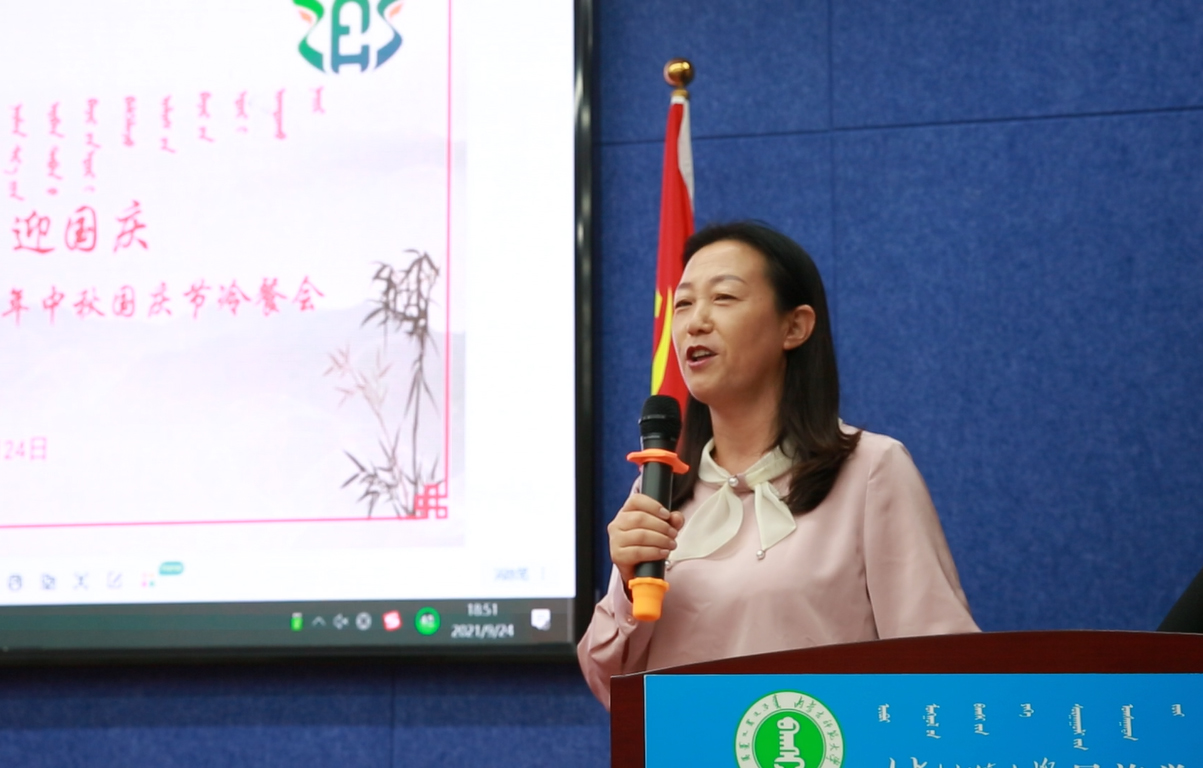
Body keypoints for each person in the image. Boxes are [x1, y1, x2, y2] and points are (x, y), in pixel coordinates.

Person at [578, 221, 979, 708]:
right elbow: (612, 689)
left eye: (723, 298)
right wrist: (627, 583)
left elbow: (940, 662)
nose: (695, 322)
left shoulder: (871, 470)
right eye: (682, 304)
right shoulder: (660, 488)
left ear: (795, 327)